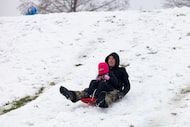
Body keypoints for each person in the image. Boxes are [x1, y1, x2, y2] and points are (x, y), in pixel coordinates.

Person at [60, 52, 130, 108]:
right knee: (92, 84)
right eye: (109, 59)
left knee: (110, 95)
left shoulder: (121, 70)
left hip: (114, 89)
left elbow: (127, 84)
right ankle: (74, 95)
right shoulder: (105, 69)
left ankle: (102, 102)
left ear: (116, 60)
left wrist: (123, 93)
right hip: (102, 87)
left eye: (113, 59)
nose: (111, 60)